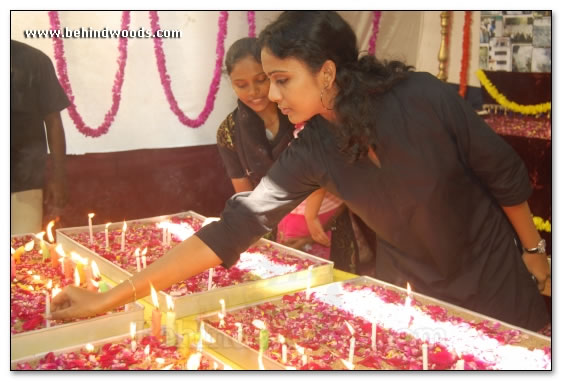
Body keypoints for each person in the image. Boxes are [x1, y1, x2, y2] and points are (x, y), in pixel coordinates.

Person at [51, 11, 549, 332]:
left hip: (493, 282)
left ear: (327, 73)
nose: (269, 95)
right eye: (267, 82)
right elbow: (232, 229)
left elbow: (503, 175)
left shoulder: (424, 98)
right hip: (414, 294)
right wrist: (108, 298)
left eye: (281, 80)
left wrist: (533, 252)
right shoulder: (313, 148)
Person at [217, 37, 355, 262]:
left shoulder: (304, 114)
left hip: (327, 226)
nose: (254, 91)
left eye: (261, 80)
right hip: (272, 236)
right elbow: (247, 199)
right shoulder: (229, 132)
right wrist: (278, 242)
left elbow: (346, 180)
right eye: (241, 85)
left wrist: (311, 230)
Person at [11, 40, 69, 234]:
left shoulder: (34, 60)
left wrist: (58, 178)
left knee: (25, 250)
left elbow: (53, 122)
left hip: (25, 180)